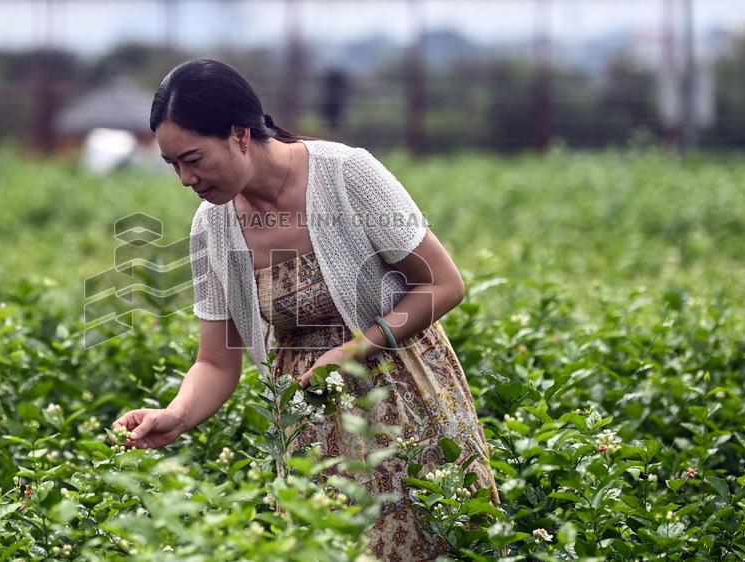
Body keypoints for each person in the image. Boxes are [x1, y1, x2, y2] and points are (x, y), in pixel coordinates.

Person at [112, 58, 499, 561]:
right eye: (173, 166)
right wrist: (177, 415)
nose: (186, 178)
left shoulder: (346, 174)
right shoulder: (212, 228)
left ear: (239, 134)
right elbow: (215, 361)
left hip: (405, 399)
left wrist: (357, 348)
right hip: (312, 427)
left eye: (194, 158)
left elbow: (443, 284)